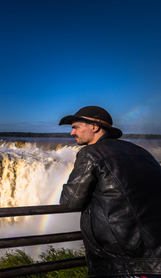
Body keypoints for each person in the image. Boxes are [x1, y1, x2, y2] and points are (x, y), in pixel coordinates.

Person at [58, 106, 161, 278]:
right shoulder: (143, 153)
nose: (71, 133)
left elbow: (70, 201)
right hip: (154, 256)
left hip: (120, 260)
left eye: (75, 127)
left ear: (95, 127)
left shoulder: (90, 154)